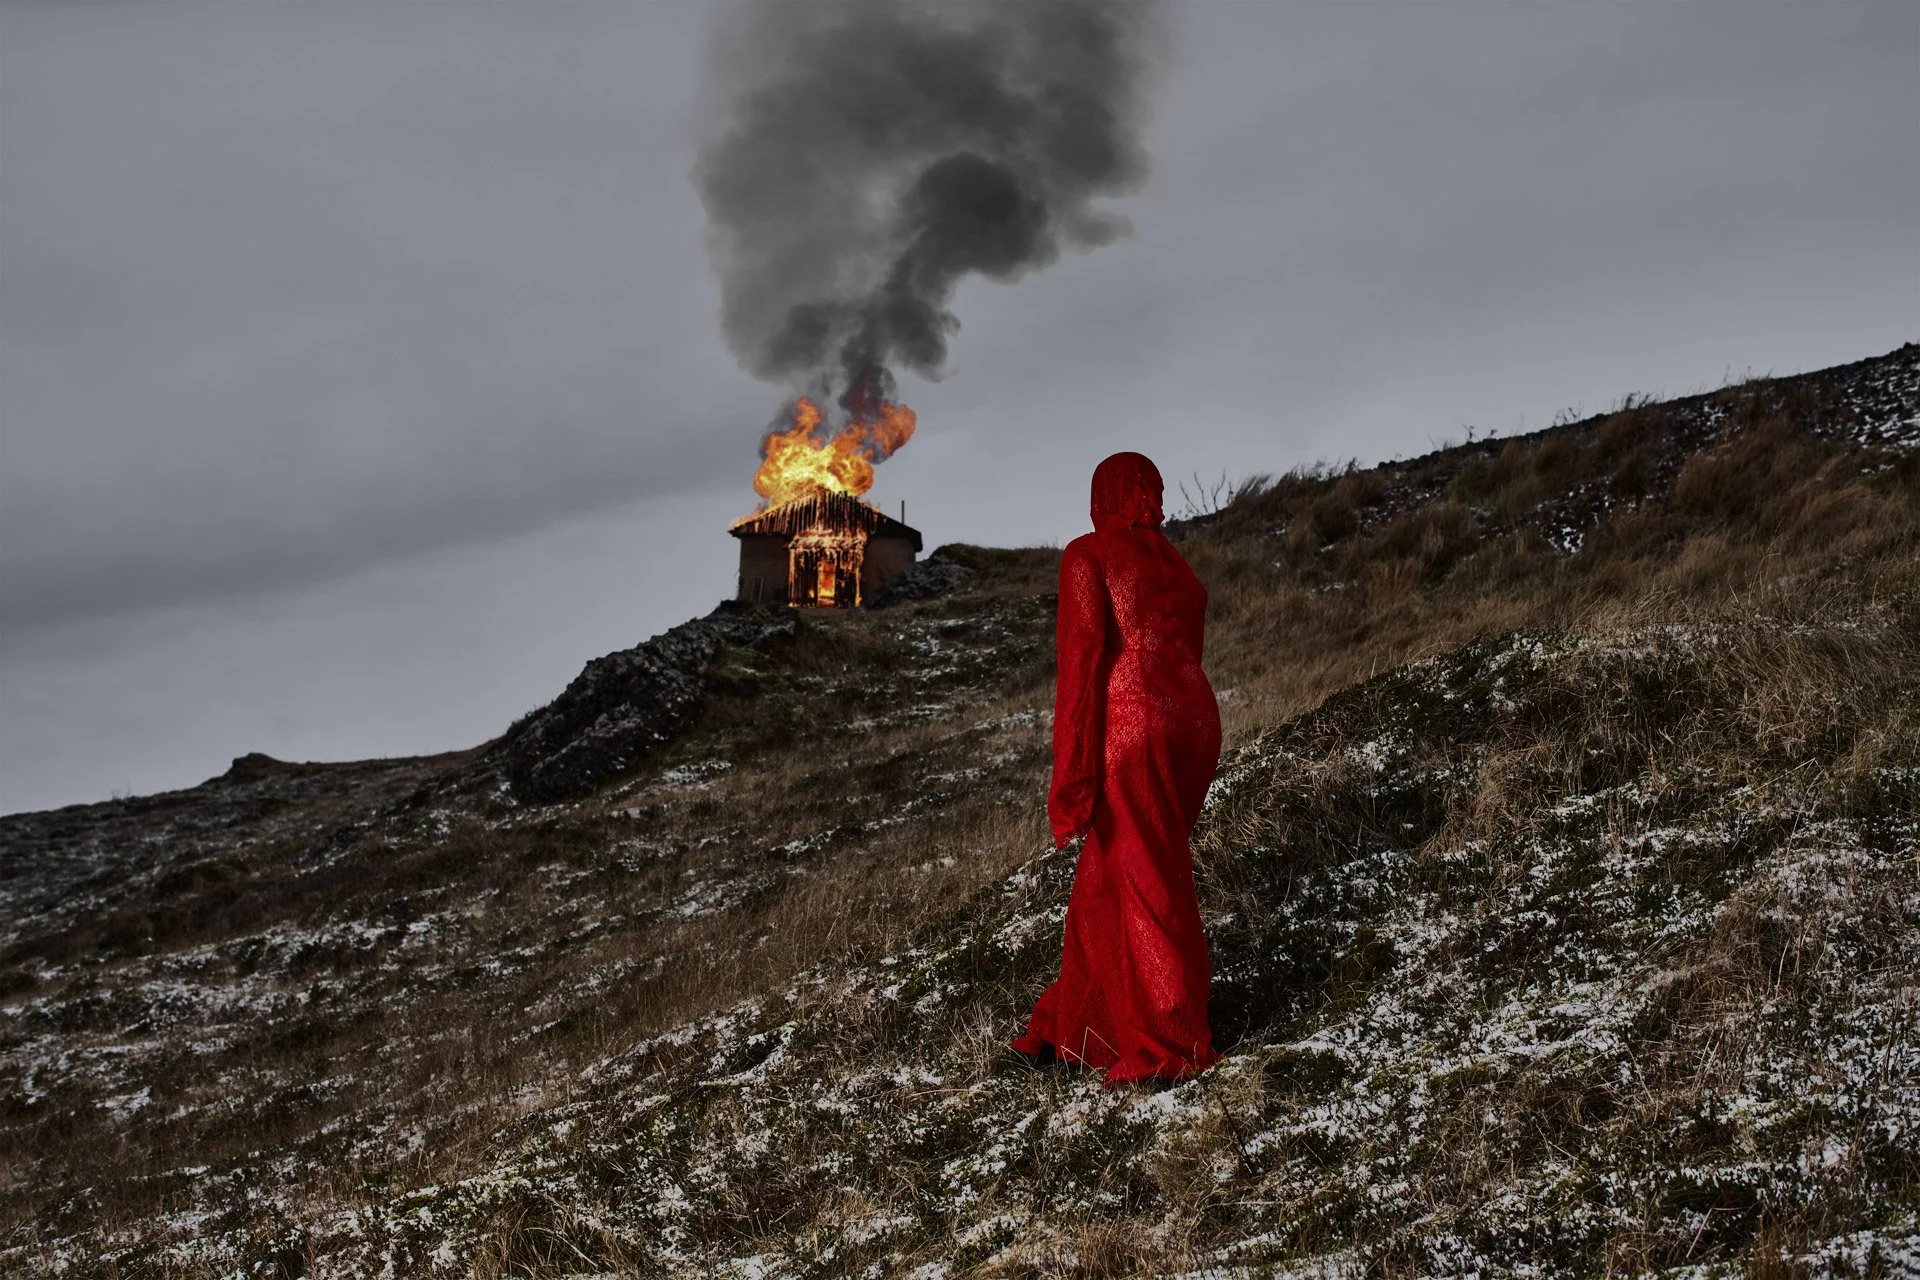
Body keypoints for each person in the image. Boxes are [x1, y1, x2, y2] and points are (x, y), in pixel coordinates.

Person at [1010, 451, 1224, 1086]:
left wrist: (1072, 780)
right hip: (1195, 724)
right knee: (1108, 879)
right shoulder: (1178, 567)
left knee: (1147, 881)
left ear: (1103, 494)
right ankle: (1076, 1028)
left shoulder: (1088, 554)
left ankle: (1169, 1041)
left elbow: (1082, 667)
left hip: (1134, 729)